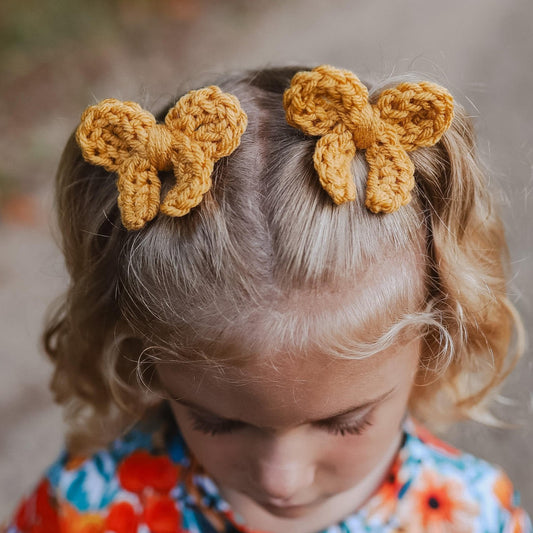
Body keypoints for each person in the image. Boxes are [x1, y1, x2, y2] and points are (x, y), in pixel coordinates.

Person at [3, 64, 531, 533]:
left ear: (435, 341)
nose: (282, 479)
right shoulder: (83, 512)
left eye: (343, 422)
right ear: (144, 358)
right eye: (217, 422)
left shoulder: (474, 515)